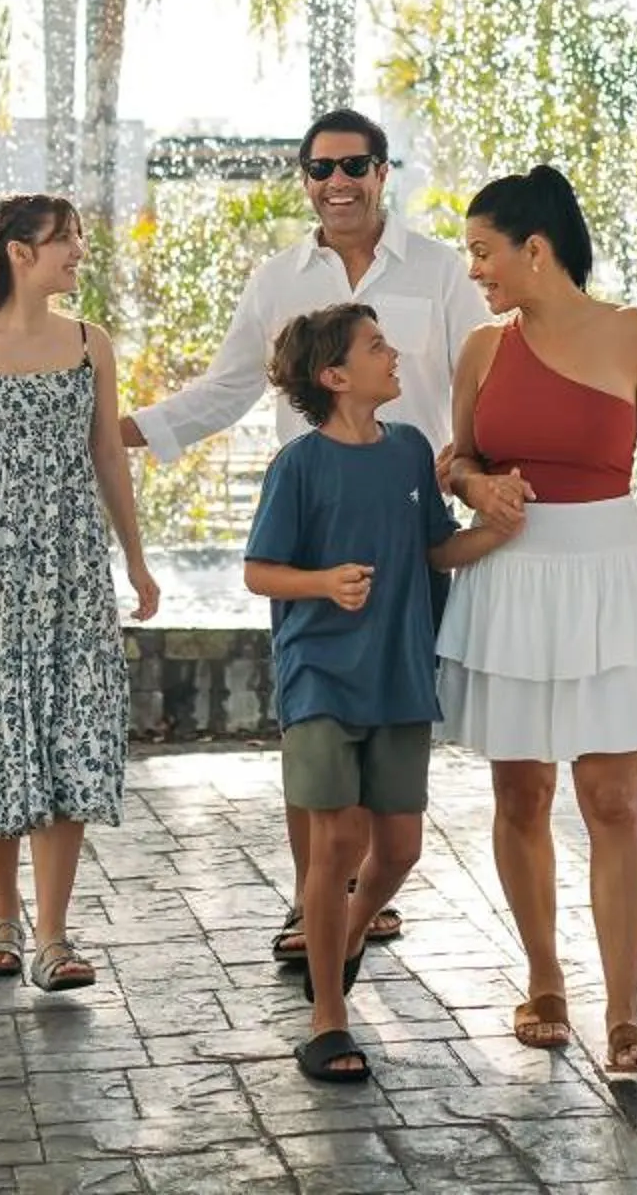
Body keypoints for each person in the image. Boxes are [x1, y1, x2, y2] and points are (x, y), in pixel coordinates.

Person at [124, 108, 517, 960]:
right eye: (320, 168)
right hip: (312, 536)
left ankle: (366, 893)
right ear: (304, 178)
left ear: (383, 173)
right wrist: (125, 430)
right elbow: (229, 389)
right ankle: (315, 907)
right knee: (314, 725)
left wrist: (478, 471)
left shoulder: (441, 271)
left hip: (413, 524)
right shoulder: (278, 279)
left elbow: (469, 387)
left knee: (389, 717)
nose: (337, 182)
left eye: (355, 165)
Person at [435, 165, 637, 1076]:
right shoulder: (485, 349)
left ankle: (625, 1012)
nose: (476, 273)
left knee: (613, 799)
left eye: (485, 253)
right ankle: (544, 982)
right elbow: (458, 463)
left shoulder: (635, 334)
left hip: (610, 578)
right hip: (511, 579)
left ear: (537, 248)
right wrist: (476, 485)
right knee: (521, 796)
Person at [242, 303, 517, 1083]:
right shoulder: (297, 466)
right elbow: (260, 572)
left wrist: (501, 527)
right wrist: (324, 583)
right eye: (376, 347)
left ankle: (350, 931)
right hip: (320, 677)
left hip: (400, 675)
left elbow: (436, 547)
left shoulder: (407, 452)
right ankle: (327, 1017)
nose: (394, 355)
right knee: (335, 843)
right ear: (334, 377)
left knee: (399, 848)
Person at [0, 194, 161, 995]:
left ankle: (53, 934)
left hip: (73, 556)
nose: (79, 251)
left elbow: (108, 459)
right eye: (66, 240)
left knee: (70, 722)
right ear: (20, 252)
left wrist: (137, 560)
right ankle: (2, 914)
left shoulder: (92, 345)